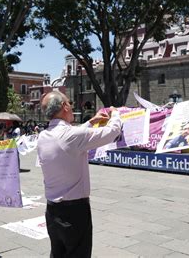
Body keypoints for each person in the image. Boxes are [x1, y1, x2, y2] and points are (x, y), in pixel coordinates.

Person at [38, 91, 121, 257]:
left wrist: (90, 122)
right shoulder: (71, 136)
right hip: (74, 212)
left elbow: (68, 137)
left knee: (58, 253)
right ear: (64, 107)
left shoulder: (43, 136)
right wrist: (116, 114)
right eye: (69, 102)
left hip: (53, 210)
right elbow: (112, 132)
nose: (71, 106)